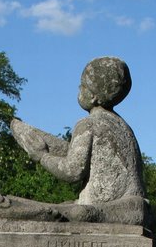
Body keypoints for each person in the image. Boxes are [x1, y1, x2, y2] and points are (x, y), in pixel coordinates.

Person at [11, 56, 147, 225]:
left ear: (93, 96)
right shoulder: (121, 125)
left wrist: (41, 156)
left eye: (82, 86)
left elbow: (72, 170)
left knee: (53, 212)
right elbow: (82, 154)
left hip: (104, 208)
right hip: (134, 208)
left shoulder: (88, 123)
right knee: (65, 207)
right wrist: (48, 141)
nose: (78, 89)